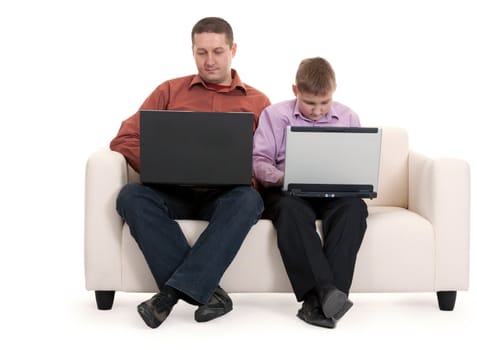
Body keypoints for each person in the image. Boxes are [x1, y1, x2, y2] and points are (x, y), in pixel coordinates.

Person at [110, 17, 270, 328]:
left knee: (249, 200)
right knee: (131, 195)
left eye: (218, 51)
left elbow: (270, 156)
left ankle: (167, 296)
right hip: (173, 191)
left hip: (224, 197)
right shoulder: (169, 91)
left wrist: (243, 172)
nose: (210, 61)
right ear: (193, 51)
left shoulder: (258, 102)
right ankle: (210, 294)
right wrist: (160, 163)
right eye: (202, 52)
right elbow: (124, 138)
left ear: (233, 50)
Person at [252, 57, 368, 329]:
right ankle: (328, 295)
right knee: (290, 211)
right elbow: (259, 162)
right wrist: (286, 178)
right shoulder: (274, 115)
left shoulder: (349, 117)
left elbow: (358, 162)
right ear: (295, 91)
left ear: (334, 90)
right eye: (309, 103)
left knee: (354, 209)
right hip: (288, 192)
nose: (317, 111)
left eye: (324, 103)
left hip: (334, 194)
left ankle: (319, 303)